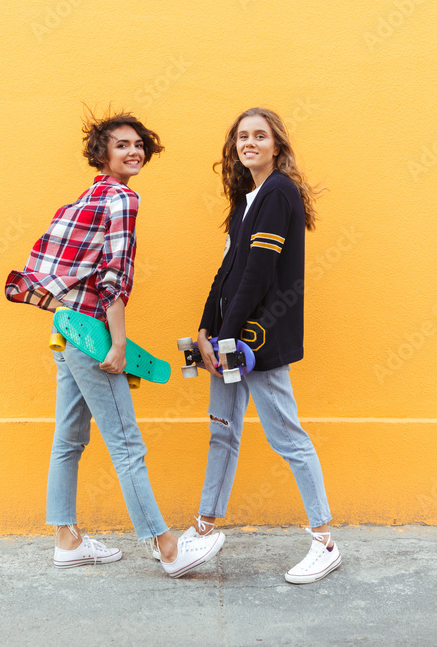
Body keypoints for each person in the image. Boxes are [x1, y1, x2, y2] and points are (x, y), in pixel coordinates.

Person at [5, 109, 224, 577]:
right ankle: (168, 549)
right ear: (102, 153)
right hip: (93, 337)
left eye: (138, 144)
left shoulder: (83, 198)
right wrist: (118, 346)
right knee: (127, 446)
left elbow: (62, 268)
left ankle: (66, 539)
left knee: (68, 439)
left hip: (66, 332)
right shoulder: (123, 198)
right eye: (122, 145)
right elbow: (114, 278)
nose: (133, 151)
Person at [190, 107, 340, 584]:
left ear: (277, 145)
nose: (249, 142)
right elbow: (227, 271)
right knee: (222, 432)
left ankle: (325, 542)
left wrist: (228, 333)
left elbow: (257, 273)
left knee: (288, 438)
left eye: (260, 136)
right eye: (242, 136)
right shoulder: (248, 199)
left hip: (258, 341)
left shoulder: (278, 193)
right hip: (226, 341)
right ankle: (204, 527)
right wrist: (204, 331)